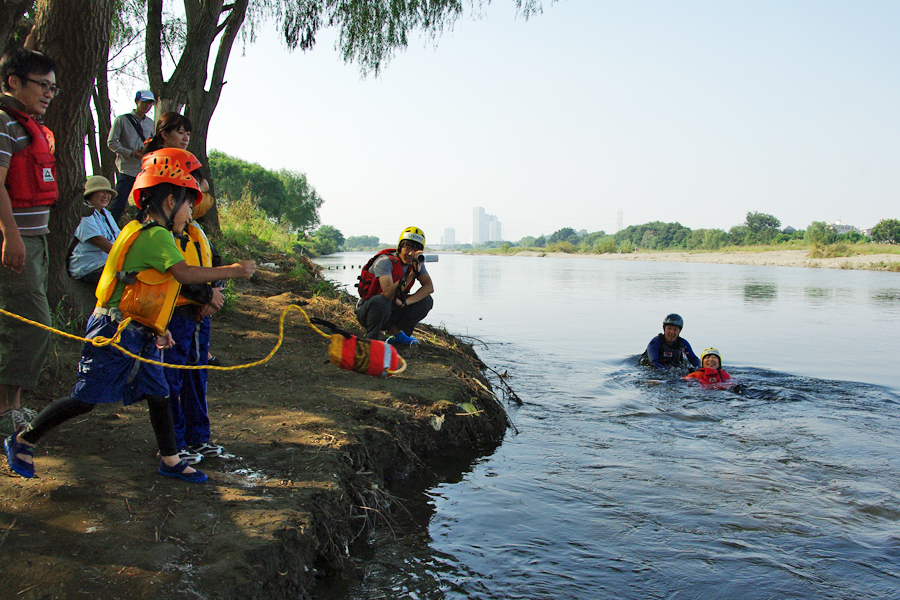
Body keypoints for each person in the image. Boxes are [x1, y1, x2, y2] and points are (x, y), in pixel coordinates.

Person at [4, 148, 256, 483]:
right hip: (113, 330)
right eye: (188, 205)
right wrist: (236, 270)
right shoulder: (156, 236)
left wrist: (158, 327)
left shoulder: (146, 232)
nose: (191, 214)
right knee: (85, 398)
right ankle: (23, 439)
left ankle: (170, 458)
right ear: (169, 202)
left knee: (159, 391)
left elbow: (149, 289)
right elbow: (183, 274)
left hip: (140, 329)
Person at [0, 48, 58, 437]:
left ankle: (13, 403)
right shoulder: (4, 124)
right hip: (17, 241)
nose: (49, 93)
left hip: (38, 239)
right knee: (32, 324)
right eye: (42, 85)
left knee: (24, 324)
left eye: (53, 87)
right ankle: (5, 408)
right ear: (13, 82)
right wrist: (11, 237)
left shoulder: (29, 125)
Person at [160, 154, 228, 464]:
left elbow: (210, 265)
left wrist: (216, 293)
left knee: (196, 375)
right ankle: (173, 442)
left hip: (198, 315)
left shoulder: (196, 231)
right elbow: (178, 274)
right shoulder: (160, 236)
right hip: (175, 316)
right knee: (171, 378)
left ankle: (199, 438)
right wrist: (205, 294)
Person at [355, 227, 434, 344]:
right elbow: (387, 293)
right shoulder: (385, 262)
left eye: (415, 249)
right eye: (407, 248)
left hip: (392, 309)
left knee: (426, 301)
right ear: (400, 247)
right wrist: (412, 274)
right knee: (382, 300)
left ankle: (396, 334)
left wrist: (405, 303)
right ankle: (372, 337)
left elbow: (429, 288)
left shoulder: (417, 263)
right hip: (369, 311)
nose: (410, 253)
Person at [107, 89, 155, 223]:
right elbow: (111, 143)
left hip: (144, 170)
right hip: (127, 169)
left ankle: (141, 231)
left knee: (144, 205)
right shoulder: (122, 120)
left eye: (150, 103)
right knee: (119, 203)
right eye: (144, 102)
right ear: (137, 101)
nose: (147, 106)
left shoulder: (151, 123)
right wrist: (131, 153)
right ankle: (109, 231)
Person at [67, 175, 120, 284]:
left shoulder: (106, 214)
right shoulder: (83, 213)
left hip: (108, 262)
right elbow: (97, 239)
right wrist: (125, 257)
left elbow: (119, 238)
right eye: (101, 192)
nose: (106, 196)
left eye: (108, 193)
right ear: (90, 194)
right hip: (89, 267)